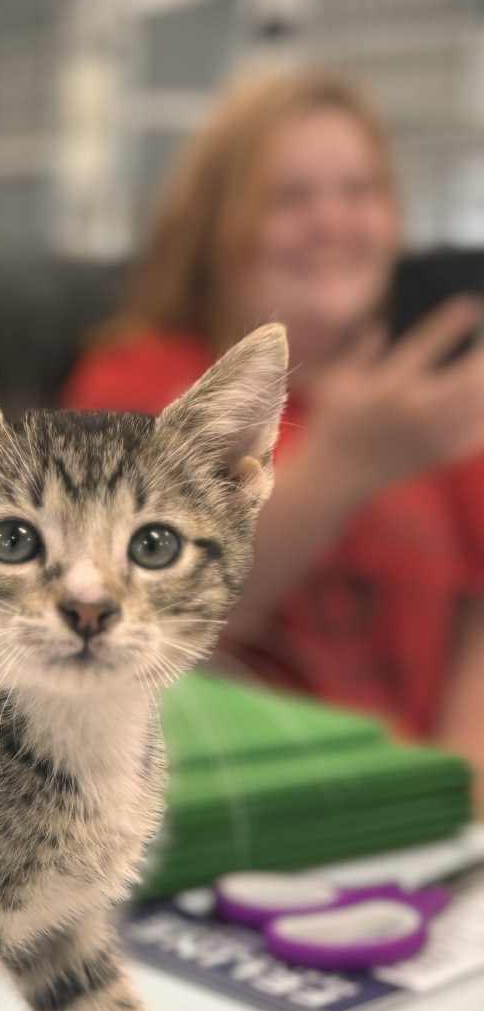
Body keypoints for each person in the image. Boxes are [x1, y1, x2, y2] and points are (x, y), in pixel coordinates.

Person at [65, 66, 484, 778]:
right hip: (243, 814)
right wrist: (343, 467)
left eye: (361, 191)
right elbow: (124, 624)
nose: (333, 222)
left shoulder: (423, 398)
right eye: (290, 198)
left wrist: (458, 799)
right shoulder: (141, 384)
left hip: (419, 828)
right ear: (215, 226)